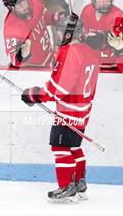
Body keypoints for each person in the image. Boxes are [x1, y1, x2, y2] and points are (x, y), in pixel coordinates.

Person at [21, 13, 100, 203]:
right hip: (83, 111)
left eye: (61, 31)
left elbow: (59, 88)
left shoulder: (69, 51)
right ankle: (79, 183)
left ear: (69, 33)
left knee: (60, 146)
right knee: (73, 146)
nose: (58, 34)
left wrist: (35, 94)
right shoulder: (90, 51)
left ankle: (67, 188)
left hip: (68, 111)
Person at [2, 0, 64, 67]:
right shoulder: (12, 28)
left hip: (52, 56)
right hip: (37, 69)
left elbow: (46, 17)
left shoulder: (34, 0)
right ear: (11, 8)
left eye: (23, 1)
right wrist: (22, 55)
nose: (23, 7)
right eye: (18, 5)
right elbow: (14, 59)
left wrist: (58, 17)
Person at [80, 0, 123, 68]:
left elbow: (114, 38)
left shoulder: (119, 15)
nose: (104, 1)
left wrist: (100, 38)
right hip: (89, 62)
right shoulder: (87, 9)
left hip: (110, 63)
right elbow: (81, 33)